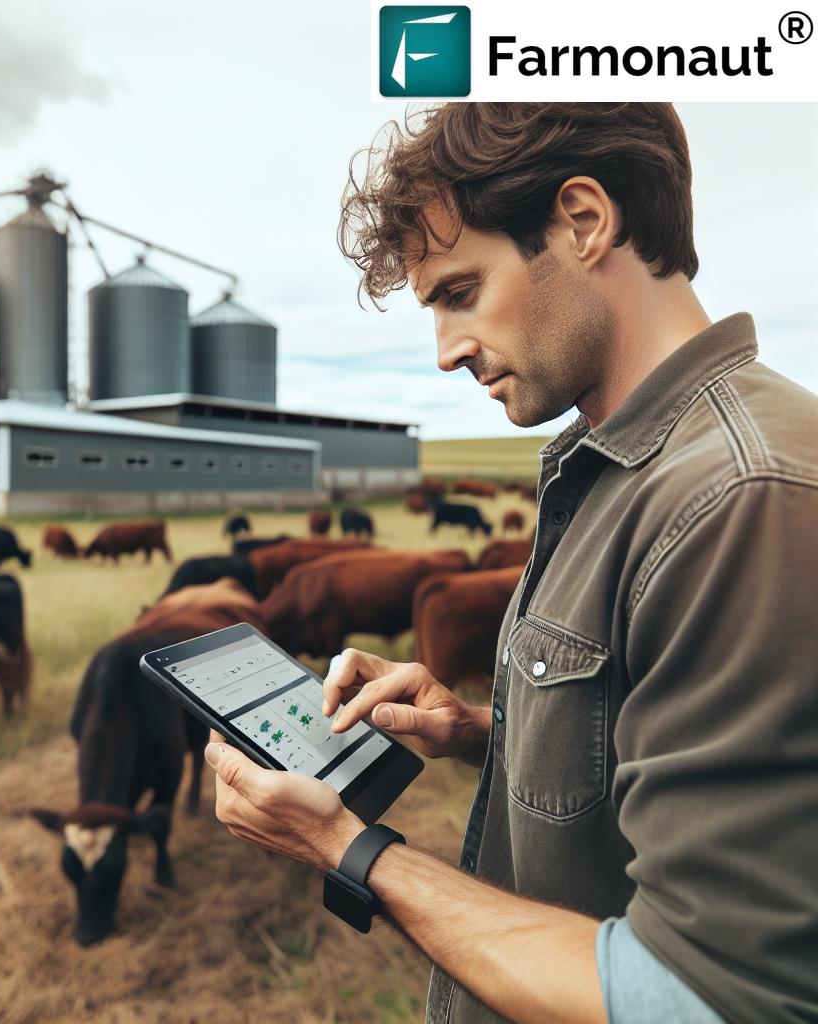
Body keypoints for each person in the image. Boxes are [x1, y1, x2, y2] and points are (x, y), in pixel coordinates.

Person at [204, 103, 818, 1023]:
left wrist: (349, 850)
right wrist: (483, 730)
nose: (446, 352)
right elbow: (653, 760)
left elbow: (703, 998)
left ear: (581, 222)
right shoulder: (619, 464)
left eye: (459, 292)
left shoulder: (738, 494)